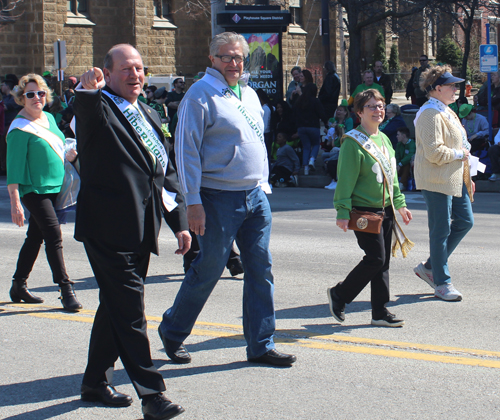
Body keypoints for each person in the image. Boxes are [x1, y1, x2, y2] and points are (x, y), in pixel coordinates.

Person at [159, 31, 296, 367]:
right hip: (217, 197)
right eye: (226, 57)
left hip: (254, 195)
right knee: (208, 269)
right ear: (212, 59)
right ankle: (173, 331)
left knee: (260, 269)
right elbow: (186, 152)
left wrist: (262, 183)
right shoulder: (199, 95)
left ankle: (261, 344)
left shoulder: (248, 93)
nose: (234, 64)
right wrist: (192, 202)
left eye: (238, 57)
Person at [74, 44, 190, 420]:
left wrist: (181, 224)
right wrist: (87, 91)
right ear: (107, 73)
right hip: (107, 229)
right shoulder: (99, 107)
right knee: (130, 310)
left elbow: (165, 172)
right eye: (125, 69)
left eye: (139, 68)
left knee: (114, 306)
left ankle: (94, 382)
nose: (135, 75)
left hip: (142, 228)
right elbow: (85, 116)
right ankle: (152, 395)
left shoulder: (148, 112)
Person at [327, 89, 413, 327]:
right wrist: (342, 211)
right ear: (359, 112)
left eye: (381, 106)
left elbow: (392, 177)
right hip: (364, 211)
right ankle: (340, 295)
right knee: (375, 259)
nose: (378, 111)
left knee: (383, 262)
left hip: (385, 209)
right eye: (372, 107)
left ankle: (379, 312)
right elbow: (345, 180)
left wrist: (400, 204)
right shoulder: (353, 143)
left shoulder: (385, 139)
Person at [6, 73, 82, 312]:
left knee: (35, 237)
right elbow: (14, 169)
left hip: (55, 187)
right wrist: (16, 202)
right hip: (33, 190)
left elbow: (59, 145)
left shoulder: (49, 117)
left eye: (40, 93)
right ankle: (65, 289)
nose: (36, 97)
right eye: (30, 94)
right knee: (53, 234)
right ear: (22, 98)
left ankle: (18, 284)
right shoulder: (20, 128)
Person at [413, 65, 474, 302]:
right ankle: (442, 281)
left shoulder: (446, 110)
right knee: (441, 231)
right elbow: (434, 153)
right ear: (437, 88)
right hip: (436, 179)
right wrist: (460, 156)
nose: (455, 89)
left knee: (465, 222)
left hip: (454, 177)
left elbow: (461, 145)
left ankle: (430, 266)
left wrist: (467, 173)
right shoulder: (430, 113)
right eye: (451, 85)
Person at [293, 83, 327, 175]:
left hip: (301, 127)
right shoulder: (315, 101)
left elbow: (295, 114)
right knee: (316, 144)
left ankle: (305, 168)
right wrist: (326, 123)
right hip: (313, 126)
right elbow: (321, 114)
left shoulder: (299, 101)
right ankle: (312, 159)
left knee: (306, 147)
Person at [1, 77, 23, 174]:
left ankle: (7, 168)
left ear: (7, 86)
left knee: (8, 149)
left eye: (3, 85)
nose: (1, 87)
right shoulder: (4, 97)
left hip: (10, 125)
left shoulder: (13, 98)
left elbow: (6, 107)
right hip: (3, 125)